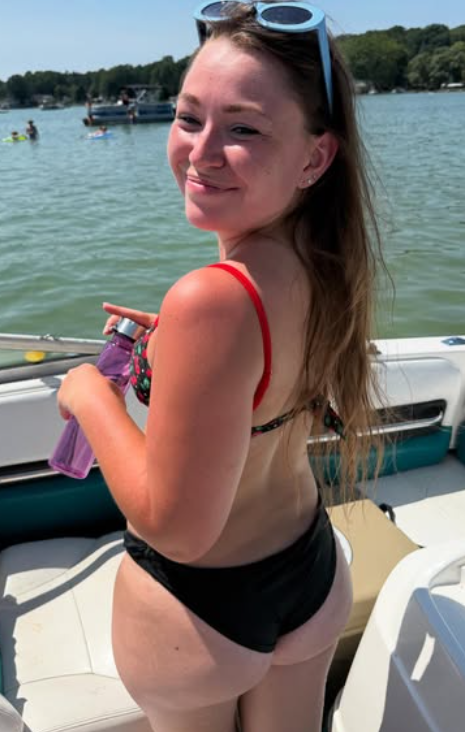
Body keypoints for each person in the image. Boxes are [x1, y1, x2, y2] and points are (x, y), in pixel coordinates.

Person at [56, 2, 386, 731]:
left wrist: (88, 398)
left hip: (198, 612)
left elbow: (176, 528)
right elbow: (269, 378)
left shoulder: (212, 299)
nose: (201, 151)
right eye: (188, 117)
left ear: (314, 157)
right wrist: (179, 344)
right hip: (310, 573)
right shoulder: (324, 261)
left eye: (243, 129)